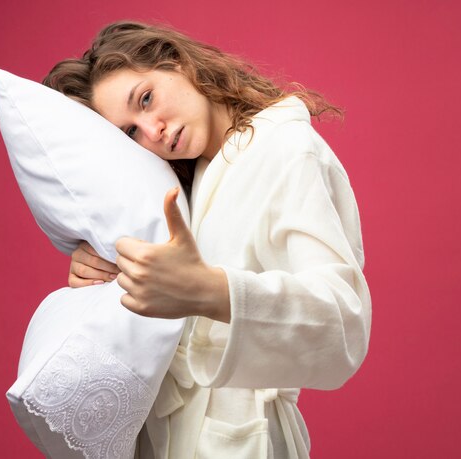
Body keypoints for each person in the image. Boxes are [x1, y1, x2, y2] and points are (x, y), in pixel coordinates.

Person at [43, 20, 371, 459]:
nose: (152, 130)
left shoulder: (287, 148)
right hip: (165, 438)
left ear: (177, 62)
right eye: (131, 131)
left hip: (242, 440)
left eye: (146, 98)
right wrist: (102, 274)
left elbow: (343, 326)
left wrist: (209, 290)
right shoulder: (181, 186)